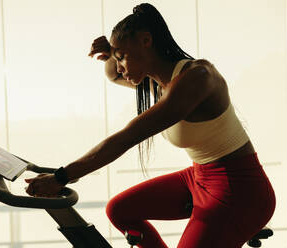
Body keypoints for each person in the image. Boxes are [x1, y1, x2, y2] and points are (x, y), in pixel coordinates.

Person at [25, 3, 276, 248]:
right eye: (118, 58)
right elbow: (113, 74)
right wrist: (113, 53)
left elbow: (127, 137)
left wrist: (62, 176)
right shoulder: (160, 83)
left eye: (122, 57)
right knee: (120, 210)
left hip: (240, 191)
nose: (120, 67)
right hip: (199, 178)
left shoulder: (197, 78)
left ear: (146, 41)